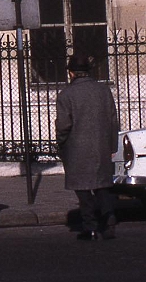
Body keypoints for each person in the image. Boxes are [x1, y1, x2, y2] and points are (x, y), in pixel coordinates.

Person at [56, 53, 119, 241]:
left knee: (82, 188)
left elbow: (63, 125)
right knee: (102, 185)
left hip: (76, 148)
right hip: (101, 145)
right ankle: (108, 217)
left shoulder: (66, 94)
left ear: (72, 73)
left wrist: (60, 141)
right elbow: (113, 120)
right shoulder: (104, 91)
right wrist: (112, 145)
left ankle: (89, 226)